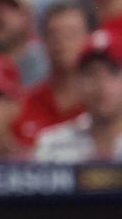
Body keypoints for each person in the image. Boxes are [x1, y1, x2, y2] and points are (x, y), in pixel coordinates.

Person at [35, 30, 122, 163]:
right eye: (91, 73)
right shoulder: (53, 144)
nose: (102, 84)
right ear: (77, 82)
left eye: (113, 72)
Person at [16, 2, 90, 146]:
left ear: (90, 37)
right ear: (43, 41)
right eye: (53, 34)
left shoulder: (105, 104)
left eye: (71, 33)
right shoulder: (24, 104)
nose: (61, 41)